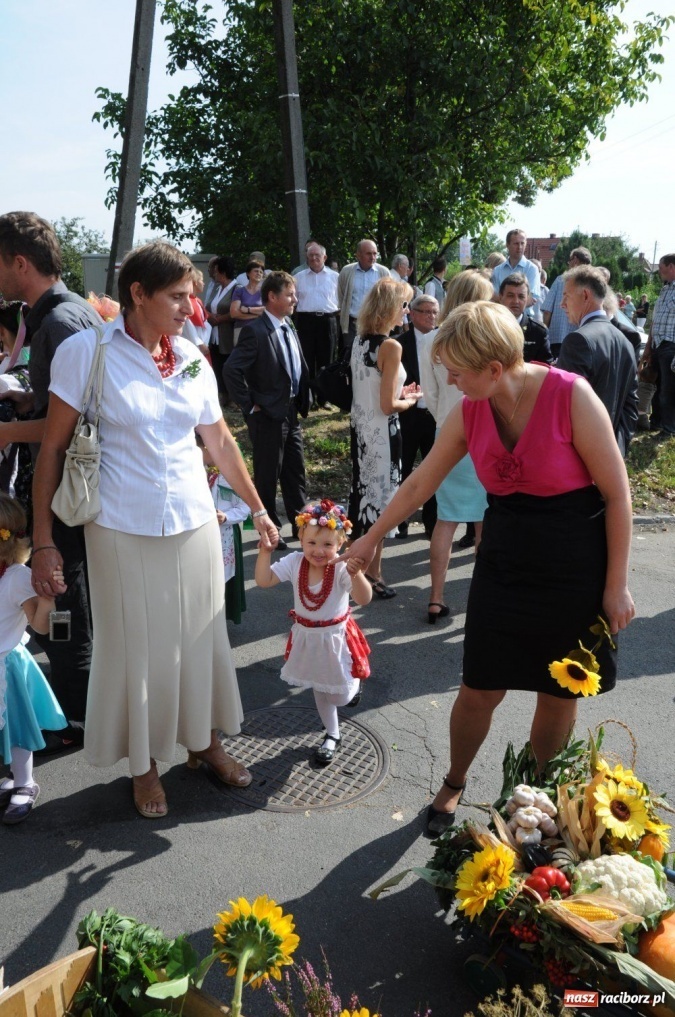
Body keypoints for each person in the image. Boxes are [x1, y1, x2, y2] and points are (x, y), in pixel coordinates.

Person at [344, 300, 635, 837]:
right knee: (479, 685)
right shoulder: (469, 409)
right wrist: (372, 536)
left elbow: (618, 496)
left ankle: (540, 795)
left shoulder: (571, 397)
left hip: (574, 561)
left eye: (456, 370)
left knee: (559, 689)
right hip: (504, 557)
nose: (447, 377)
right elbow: (419, 484)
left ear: (494, 370)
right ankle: (454, 782)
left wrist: (615, 586)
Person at [32, 241, 277, 819]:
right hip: (119, 526)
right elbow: (51, 451)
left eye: (192, 295)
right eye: (177, 296)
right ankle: (143, 767)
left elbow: (218, 440)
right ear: (138, 294)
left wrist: (261, 509)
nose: (191, 307)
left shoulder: (192, 355)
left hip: (194, 520)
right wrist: (43, 542)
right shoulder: (85, 352)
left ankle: (204, 744)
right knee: (135, 650)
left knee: (200, 638)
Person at [0, 211, 103, 751]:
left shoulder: (60, 323)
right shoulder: (72, 312)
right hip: (71, 487)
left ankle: (76, 719)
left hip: (65, 490)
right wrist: (28, 401)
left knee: (65, 605)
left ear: (20, 263)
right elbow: (63, 401)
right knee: (71, 601)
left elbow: (78, 421)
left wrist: (11, 430)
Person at [255, 499, 372, 765]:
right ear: (300, 539)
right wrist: (265, 552)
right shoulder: (296, 562)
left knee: (340, 696)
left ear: (340, 544)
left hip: (335, 639)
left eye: (328, 545)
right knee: (320, 687)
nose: (319, 551)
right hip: (308, 639)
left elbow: (364, 599)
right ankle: (332, 734)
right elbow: (264, 581)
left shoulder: (342, 567)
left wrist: (358, 574)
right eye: (311, 543)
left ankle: (355, 683)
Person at [419, 273, 490, 623]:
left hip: (446, 430)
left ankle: (435, 597)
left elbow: (429, 395)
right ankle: (484, 597)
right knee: (483, 520)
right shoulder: (484, 339)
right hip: (483, 431)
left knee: (445, 519)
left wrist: (446, 423)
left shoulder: (433, 338)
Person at [223, 271, 310, 549]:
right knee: (268, 473)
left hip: (291, 411)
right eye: (290, 294)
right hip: (268, 414)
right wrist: (250, 404)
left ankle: (303, 529)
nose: (295, 298)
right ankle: (269, 530)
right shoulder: (256, 330)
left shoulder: (289, 325)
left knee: (295, 472)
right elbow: (231, 370)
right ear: (272, 297)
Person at [349, 276, 420, 598]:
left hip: (362, 431)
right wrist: (409, 400)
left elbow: (371, 390)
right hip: (382, 433)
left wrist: (398, 394)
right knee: (380, 506)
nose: (406, 311)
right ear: (391, 308)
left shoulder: (359, 340)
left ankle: (367, 572)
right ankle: (367, 574)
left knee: (366, 502)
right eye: (403, 304)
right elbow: (388, 404)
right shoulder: (391, 346)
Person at [0, 493, 67, 824]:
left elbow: (41, 625)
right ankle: (9, 778)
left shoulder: (15, 578)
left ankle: (25, 782)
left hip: (6, 668)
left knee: (17, 728)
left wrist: (49, 597)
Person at [558, 265, 638, 456]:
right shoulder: (625, 341)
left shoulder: (577, 340)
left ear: (585, 295)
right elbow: (631, 407)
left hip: (579, 460)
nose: (562, 304)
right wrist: (615, 451)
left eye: (566, 296)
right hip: (607, 457)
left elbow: (563, 408)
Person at [395, 294, 439, 541]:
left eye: (435, 312)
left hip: (434, 415)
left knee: (433, 472)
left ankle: (431, 524)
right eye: (426, 311)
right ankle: (399, 522)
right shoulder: (399, 343)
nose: (431, 316)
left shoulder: (443, 341)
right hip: (408, 415)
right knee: (402, 470)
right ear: (412, 313)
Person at [202, 440, 249, 625]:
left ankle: (221, 618)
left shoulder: (232, 476)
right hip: (203, 535)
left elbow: (245, 507)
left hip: (226, 535)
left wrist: (226, 516)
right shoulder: (197, 472)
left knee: (223, 578)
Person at [293, 243, 339, 405]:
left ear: (324, 258)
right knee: (306, 359)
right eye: (310, 255)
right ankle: (307, 397)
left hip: (328, 321)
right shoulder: (299, 277)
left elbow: (340, 300)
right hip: (305, 321)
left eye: (317, 255)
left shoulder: (335, 277)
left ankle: (324, 398)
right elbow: (293, 302)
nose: (313, 258)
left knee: (326, 360)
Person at [0, 301, 33, 517]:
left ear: (2, 332)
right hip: (30, 482)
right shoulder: (38, 372)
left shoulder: (6, 382)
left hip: (8, 490)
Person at [337, 240, 391, 355]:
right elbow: (341, 295)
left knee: (373, 356)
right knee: (350, 356)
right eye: (368, 253)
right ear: (358, 255)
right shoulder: (347, 271)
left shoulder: (383, 272)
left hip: (376, 323)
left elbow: (389, 298)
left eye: (375, 253)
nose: (372, 257)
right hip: (352, 323)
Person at [642, 254, 675, 435]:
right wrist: (648, 347)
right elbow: (655, 321)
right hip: (657, 345)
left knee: (668, 390)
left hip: (671, 345)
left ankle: (669, 428)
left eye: (661, 268)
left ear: (671, 267)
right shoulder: (665, 290)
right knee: (656, 386)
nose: (659, 272)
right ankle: (656, 422)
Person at [542, 247, 593, 359]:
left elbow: (547, 311)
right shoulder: (591, 284)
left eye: (570, 261)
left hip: (556, 338)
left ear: (575, 260)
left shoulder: (560, 280)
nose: (569, 264)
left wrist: (544, 335)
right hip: (581, 339)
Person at [498, 274, 554, 364]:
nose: (516, 301)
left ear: (527, 298)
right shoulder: (489, 327)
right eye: (510, 295)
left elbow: (545, 367)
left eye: (521, 296)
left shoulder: (538, 332)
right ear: (500, 297)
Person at [205, 256, 237, 402]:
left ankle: (233, 398)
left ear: (222, 272)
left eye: (215, 270)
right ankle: (223, 396)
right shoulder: (217, 288)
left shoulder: (237, 288)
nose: (213, 273)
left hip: (229, 334)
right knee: (217, 365)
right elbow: (207, 306)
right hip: (215, 335)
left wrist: (219, 319)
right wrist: (210, 316)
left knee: (229, 365)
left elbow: (236, 311)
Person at [491, 230, 541, 316]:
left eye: (522, 243)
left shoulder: (532, 269)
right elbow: (494, 297)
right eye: (516, 243)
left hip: (524, 322)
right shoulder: (498, 270)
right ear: (507, 245)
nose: (520, 247)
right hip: (502, 319)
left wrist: (506, 300)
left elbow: (531, 299)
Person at [230, 260, 265, 346]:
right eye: (256, 271)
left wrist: (248, 310)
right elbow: (234, 313)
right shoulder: (239, 291)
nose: (259, 273)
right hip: (241, 330)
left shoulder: (265, 292)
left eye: (261, 272)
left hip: (260, 329)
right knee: (242, 357)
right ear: (248, 273)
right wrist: (257, 315)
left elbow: (267, 310)